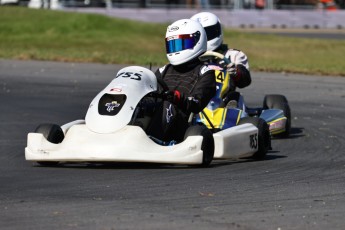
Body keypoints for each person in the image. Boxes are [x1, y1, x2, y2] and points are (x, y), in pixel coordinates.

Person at [146, 19, 216, 143]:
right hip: (157, 114)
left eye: (181, 44)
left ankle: (151, 142)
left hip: (181, 123)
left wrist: (177, 97)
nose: (175, 50)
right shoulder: (164, 70)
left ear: (197, 41)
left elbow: (197, 102)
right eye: (172, 45)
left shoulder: (205, 72)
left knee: (167, 106)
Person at [190, 12, 251, 106]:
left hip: (225, 100)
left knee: (236, 96)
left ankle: (231, 112)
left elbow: (245, 81)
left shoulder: (233, 55)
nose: (204, 39)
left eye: (207, 34)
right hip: (196, 99)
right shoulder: (191, 58)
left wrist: (236, 72)